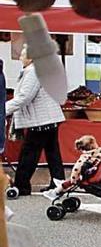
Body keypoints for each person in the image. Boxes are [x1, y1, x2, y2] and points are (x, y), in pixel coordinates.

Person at [5, 45, 65, 196]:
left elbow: (25, 97)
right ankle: (58, 182)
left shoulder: (33, 72)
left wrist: (3, 110)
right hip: (49, 118)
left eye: (22, 55)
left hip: (40, 120)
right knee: (52, 152)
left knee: (29, 152)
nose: (20, 58)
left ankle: (21, 185)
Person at [42, 135, 101, 200]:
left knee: (68, 183)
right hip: (94, 173)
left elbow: (77, 169)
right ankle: (62, 184)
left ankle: (55, 192)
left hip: (84, 177)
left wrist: (73, 179)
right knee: (69, 182)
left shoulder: (85, 157)